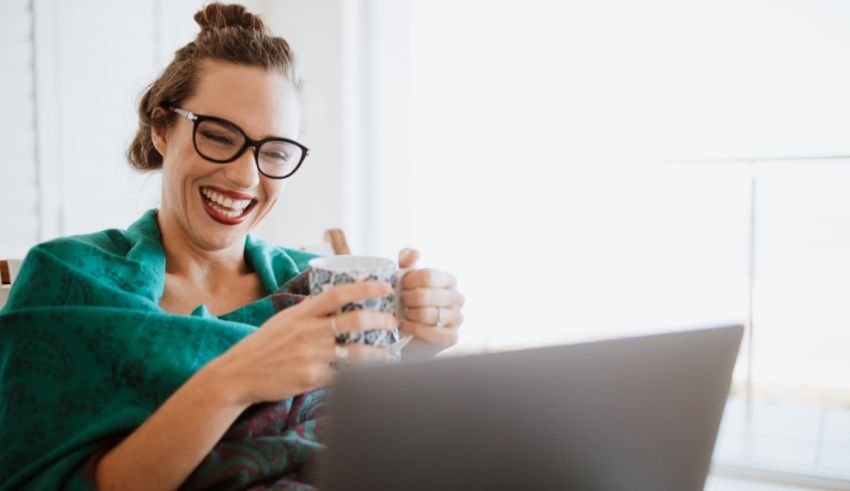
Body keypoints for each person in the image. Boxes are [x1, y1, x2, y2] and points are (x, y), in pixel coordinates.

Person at [0, 3, 464, 490]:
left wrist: (418, 348)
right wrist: (236, 377)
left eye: (276, 152)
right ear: (161, 129)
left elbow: (367, 441)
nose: (245, 177)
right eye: (218, 137)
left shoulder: (318, 286)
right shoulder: (67, 278)